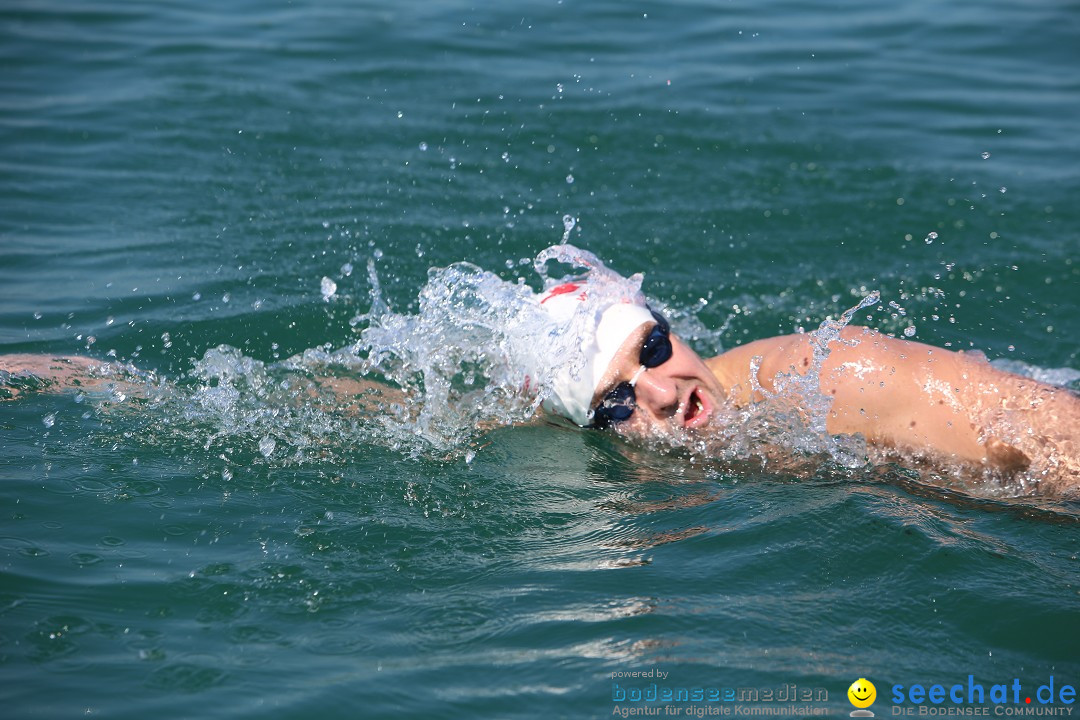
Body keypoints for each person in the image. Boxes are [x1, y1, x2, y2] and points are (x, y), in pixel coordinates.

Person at [2, 246, 1078, 495]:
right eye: (618, 399)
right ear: (587, 425)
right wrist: (105, 384)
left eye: (654, 346)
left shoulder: (829, 374)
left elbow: (1045, 433)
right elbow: (373, 413)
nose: (666, 389)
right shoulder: (591, 445)